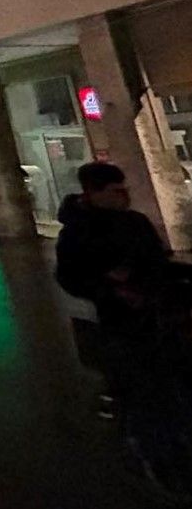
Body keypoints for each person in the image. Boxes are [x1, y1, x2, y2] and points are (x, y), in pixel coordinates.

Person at [55, 161, 191, 490]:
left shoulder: (135, 222)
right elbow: (71, 277)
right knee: (144, 392)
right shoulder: (77, 231)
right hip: (122, 323)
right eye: (115, 191)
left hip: (161, 318)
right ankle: (153, 460)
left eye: (123, 189)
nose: (123, 196)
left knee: (174, 385)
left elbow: (158, 264)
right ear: (93, 193)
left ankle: (177, 452)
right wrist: (109, 286)